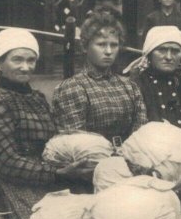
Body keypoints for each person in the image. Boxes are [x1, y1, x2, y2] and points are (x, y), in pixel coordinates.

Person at [0, 29, 93, 219]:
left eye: (31, 60)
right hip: (16, 185)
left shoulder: (36, 97)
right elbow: (7, 163)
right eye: (17, 59)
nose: (25, 67)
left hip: (54, 175)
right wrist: (59, 174)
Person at [53, 10, 148, 143]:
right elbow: (76, 141)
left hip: (131, 155)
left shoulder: (130, 86)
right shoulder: (73, 87)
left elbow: (140, 131)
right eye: (101, 44)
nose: (109, 51)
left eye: (114, 45)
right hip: (91, 159)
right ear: (85, 47)